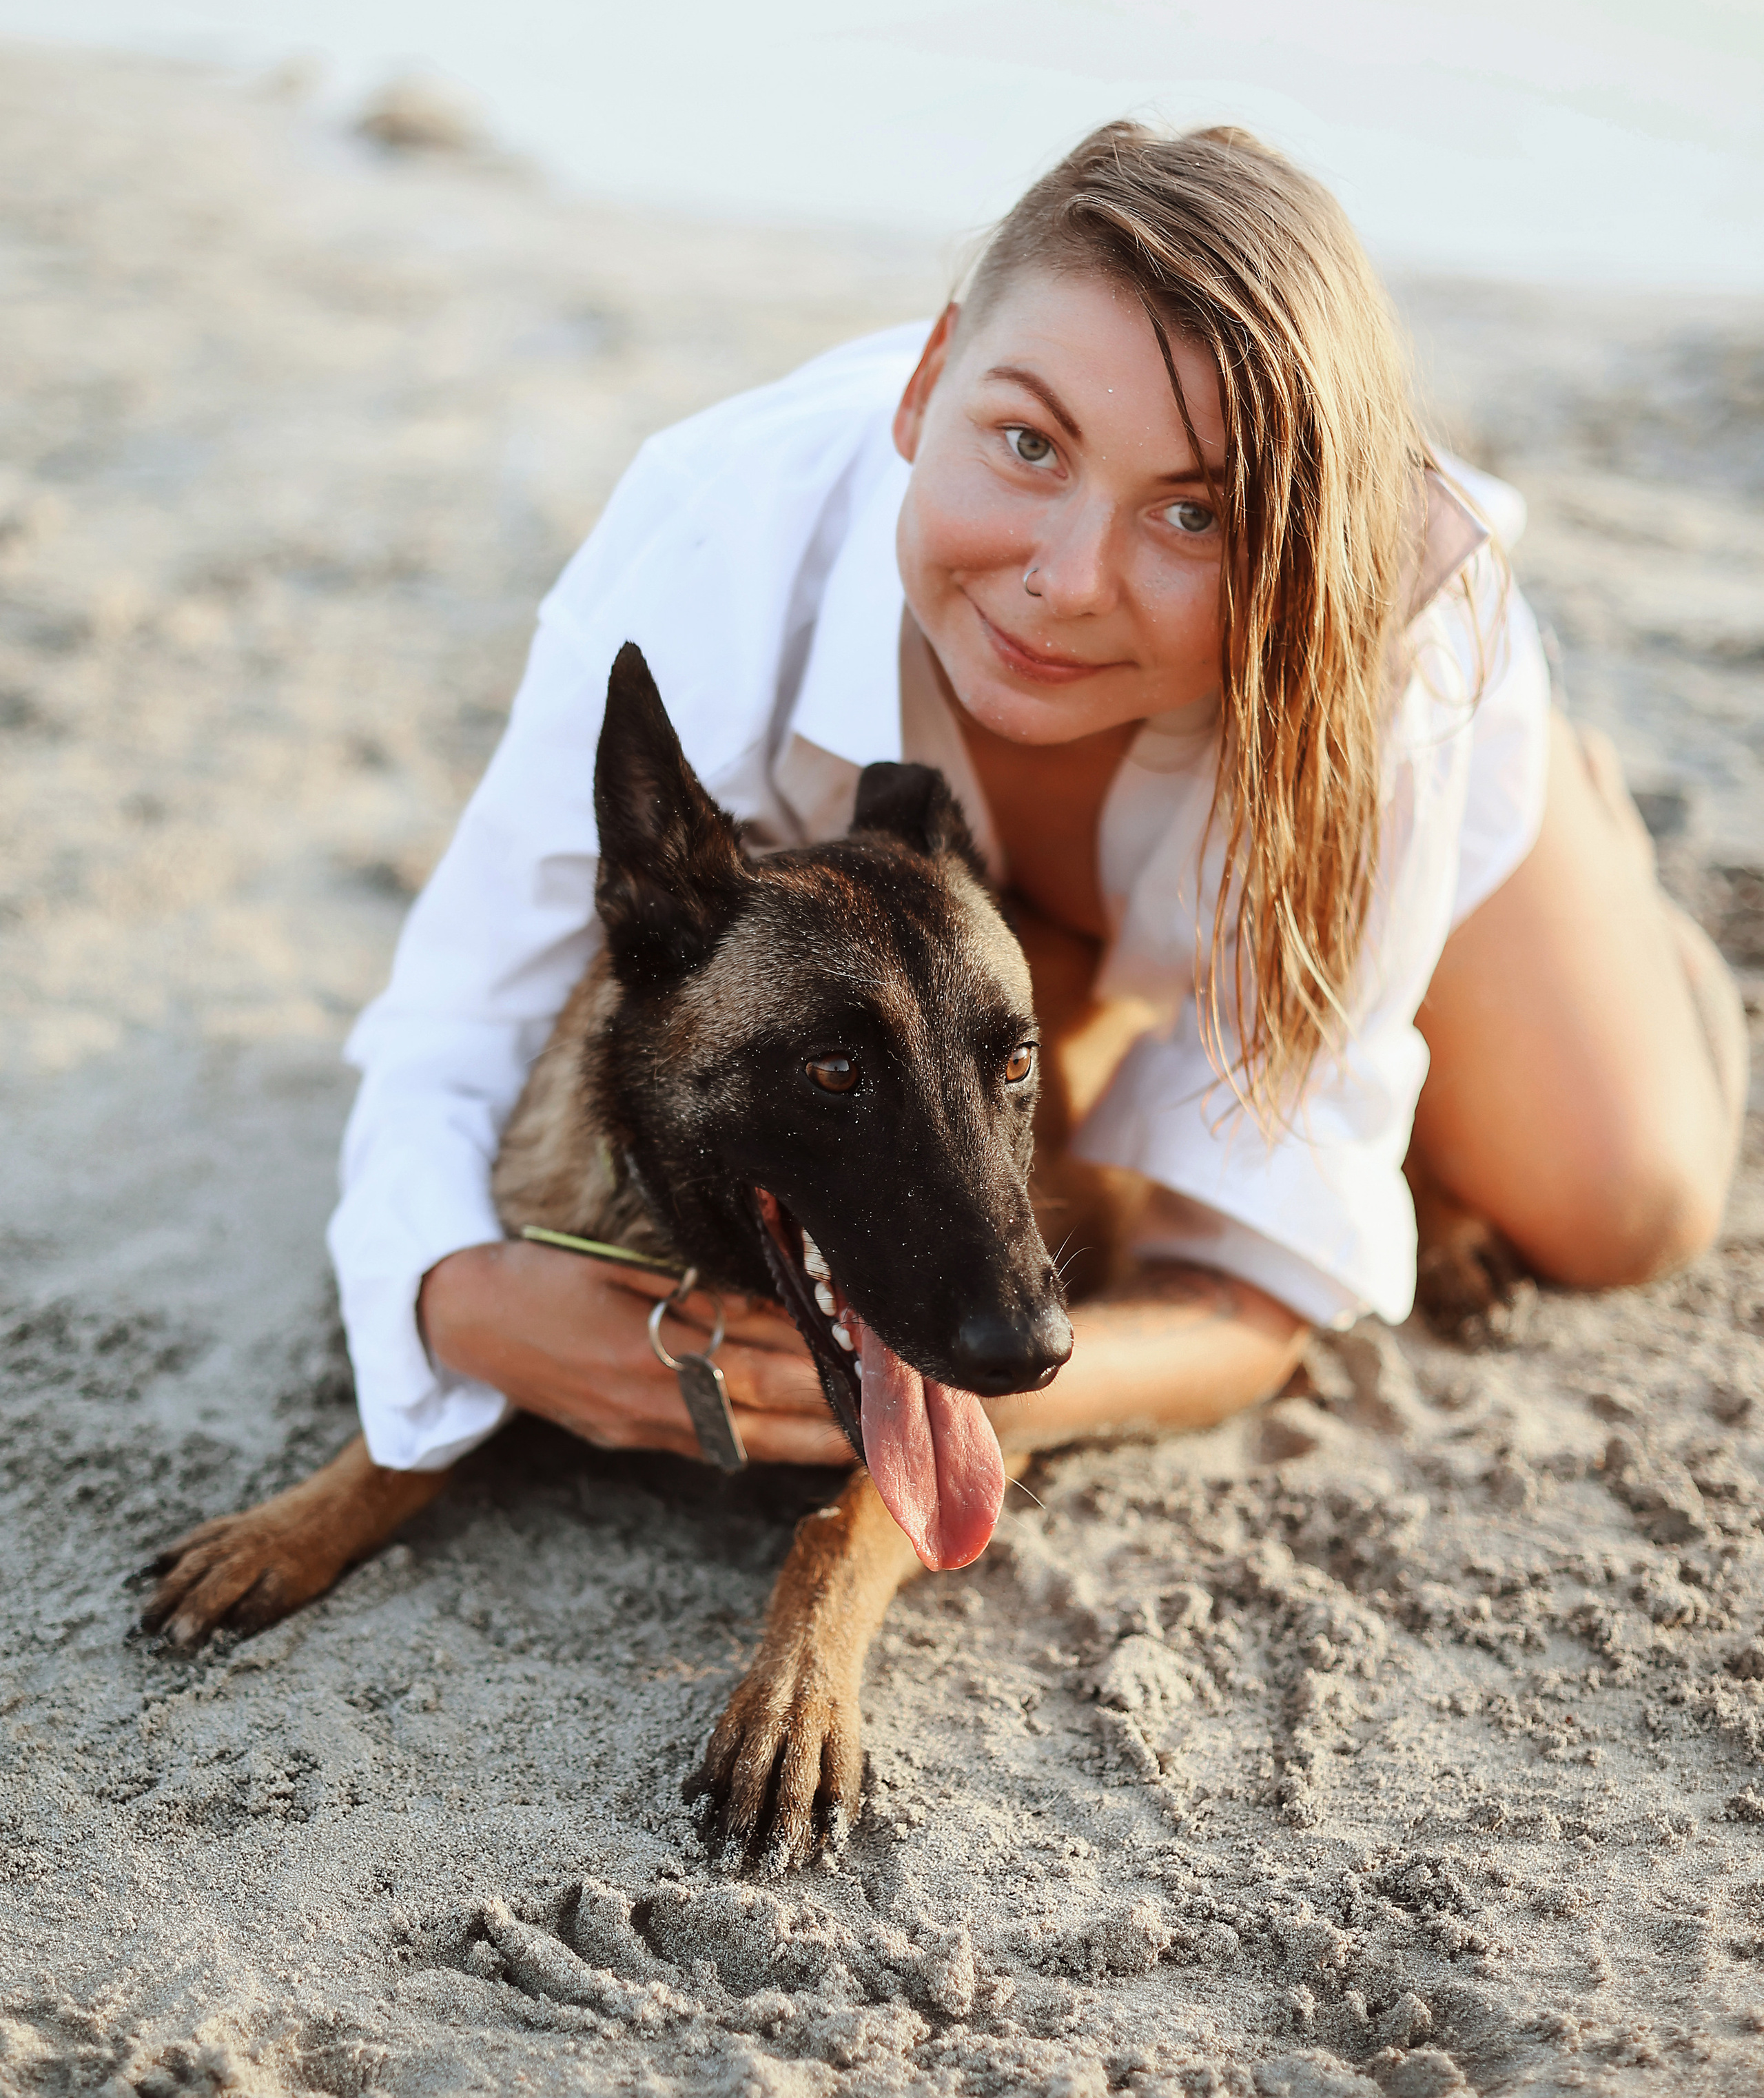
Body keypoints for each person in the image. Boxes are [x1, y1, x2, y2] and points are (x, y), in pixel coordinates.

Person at [329, 123, 1748, 1493]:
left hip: (1375, 763)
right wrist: (456, 1296)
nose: (1065, 581)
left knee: (1621, 1208)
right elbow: (458, 1017)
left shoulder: (1388, 673)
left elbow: (1252, 1285)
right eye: (1025, 442)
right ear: (925, 379)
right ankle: (1089, 942)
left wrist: (939, 1397)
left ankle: (1564, 814)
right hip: (980, 937)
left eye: (1192, 513)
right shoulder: (716, 540)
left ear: (1286, 543)